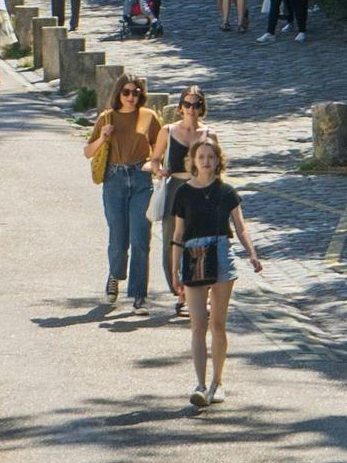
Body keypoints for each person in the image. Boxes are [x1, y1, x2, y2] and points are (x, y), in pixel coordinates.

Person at [170, 133, 262, 404]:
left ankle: (217, 383)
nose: (206, 162)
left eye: (211, 157)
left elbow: (240, 227)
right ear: (193, 161)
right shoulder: (183, 193)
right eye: (201, 157)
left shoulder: (226, 192)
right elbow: (178, 234)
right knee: (198, 325)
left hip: (222, 252)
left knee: (218, 325)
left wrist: (252, 255)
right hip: (194, 255)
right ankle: (199, 385)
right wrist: (175, 269)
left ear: (218, 161)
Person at [88, 79, 161, 308]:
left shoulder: (148, 117)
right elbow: (88, 152)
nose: (131, 97)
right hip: (114, 180)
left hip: (141, 178)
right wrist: (103, 137)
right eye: (126, 92)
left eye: (136, 93)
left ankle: (139, 295)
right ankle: (115, 274)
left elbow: (160, 147)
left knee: (141, 237)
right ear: (118, 93)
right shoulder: (107, 118)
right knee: (118, 239)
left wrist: (154, 165)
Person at [155, 87, 214, 319]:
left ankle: (194, 296)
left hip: (202, 190)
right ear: (180, 107)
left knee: (201, 245)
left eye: (196, 105)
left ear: (202, 108)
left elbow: (217, 165)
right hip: (176, 190)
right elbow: (155, 158)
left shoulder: (210, 134)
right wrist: (159, 170)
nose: (191, 109)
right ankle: (179, 290)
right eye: (187, 105)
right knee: (173, 243)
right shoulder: (167, 131)